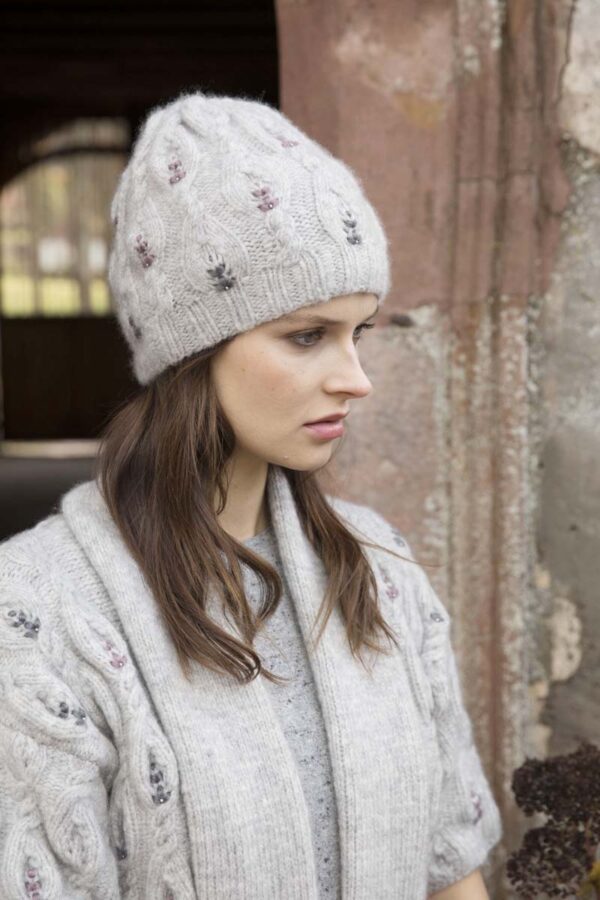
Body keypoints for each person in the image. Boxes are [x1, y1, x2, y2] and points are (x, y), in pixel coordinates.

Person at [0, 91, 502, 899]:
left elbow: (452, 869)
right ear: (192, 348)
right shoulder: (36, 611)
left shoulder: (381, 569)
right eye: (307, 336)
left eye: (358, 332)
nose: (357, 379)